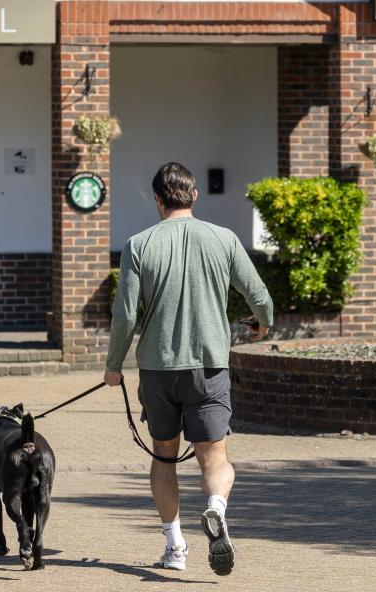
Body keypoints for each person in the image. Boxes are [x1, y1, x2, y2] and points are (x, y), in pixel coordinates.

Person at [104, 162, 273, 576]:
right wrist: (262, 322)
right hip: (209, 365)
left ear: (157, 200)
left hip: (158, 370)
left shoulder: (138, 245)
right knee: (213, 457)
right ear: (194, 196)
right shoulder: (223, 239)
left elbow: (125, 315)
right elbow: (259, 297)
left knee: (164, 458)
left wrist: (113, 366)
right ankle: (215, 508)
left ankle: (175, 547)